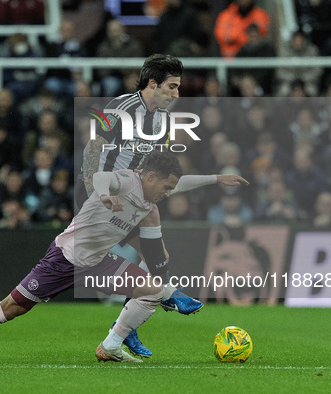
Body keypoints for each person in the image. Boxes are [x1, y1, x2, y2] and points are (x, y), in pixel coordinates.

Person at [0, 150, 183, 363]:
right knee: (10, 308)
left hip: (98, 261)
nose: (168, 193)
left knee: (152, 290)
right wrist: (103, 195)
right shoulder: (124, 182)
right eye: (167, 186)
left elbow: (147, 243)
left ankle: (111, 346)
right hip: (65, 258)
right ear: (150, 177)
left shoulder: (149, 204)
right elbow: (102, 178)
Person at [77, 54, 249, 358]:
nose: (176, 94)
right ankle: (164, 298)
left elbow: (154, 175)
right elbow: (93, 150)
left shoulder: (160, 121)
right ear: (152, 84)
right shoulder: (121, 108)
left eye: (178, 87)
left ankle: (126, 328)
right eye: (171, 87)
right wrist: (96, 196)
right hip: (103, 195)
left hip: (131, 198)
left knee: (157, 256)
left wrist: (215, 178)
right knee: (154, 255)